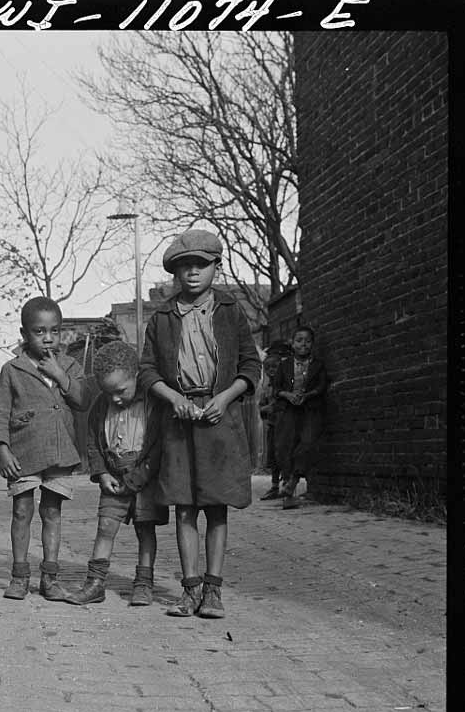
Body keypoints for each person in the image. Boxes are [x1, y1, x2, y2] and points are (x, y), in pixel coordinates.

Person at [139, 229, 261, 620]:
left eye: (201, 265)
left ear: (216, 267)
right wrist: (174, 399)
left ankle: (213, 590)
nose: (192, 273)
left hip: (220, 421)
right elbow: (146, 370)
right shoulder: (161, 318)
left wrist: (224, 398)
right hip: (178, 422)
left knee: (216, 507)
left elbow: (249, 364)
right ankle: (189, 590)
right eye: (184, 267)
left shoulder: (230, 311)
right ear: (175, 273)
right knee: (184, 507)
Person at [0, 297, 90, 601]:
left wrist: (61, 375)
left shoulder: (70, 365)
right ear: (24, 334)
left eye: (54, 331)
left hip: (60, 452)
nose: (48, 338)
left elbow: (83, 400)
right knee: (22, 511)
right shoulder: (13, 369)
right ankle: (20, 576)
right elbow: (1, 412)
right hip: (24, 453)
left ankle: (50, 578)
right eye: (39, 331)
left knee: (52, 511)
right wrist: (2, 448)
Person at [63, 340, 167, 607]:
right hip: (114, 476)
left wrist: (137, 479)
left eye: (120, 391)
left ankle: (143, 583)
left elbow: (157, 449)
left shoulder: (153, 404)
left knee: (146, 530)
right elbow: (93, 443)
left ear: (135, 376)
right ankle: (95, 583)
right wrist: (100, 473)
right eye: (108, 393)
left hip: (144, 479)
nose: (115, 399)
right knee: (105, 527)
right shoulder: (101, 405)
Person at [272, 325, 329, 509]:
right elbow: (276, 388)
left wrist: (307, 395)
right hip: (288, 410)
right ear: (292, 343)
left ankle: (294, 482)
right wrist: (288, 395)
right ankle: (287, 487)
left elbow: (322, 386)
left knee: (307, 443)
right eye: (299, 340)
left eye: (307, 341)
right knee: (284, 446)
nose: (303, 344)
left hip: (309, 409)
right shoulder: (284, 365)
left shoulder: (318, 365)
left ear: (312, 344)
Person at [257, 340, 291, 500]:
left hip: (284, 426)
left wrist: (275, 406)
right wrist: (266, 408)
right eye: (268, 368)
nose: (271, 371)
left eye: (274, 367)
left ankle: (287, 485)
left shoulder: (284, 385)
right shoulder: (266, 387)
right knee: (273, 457)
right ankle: (274, 485)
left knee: (284, 454)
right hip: (272, 425)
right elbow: (261, 407)